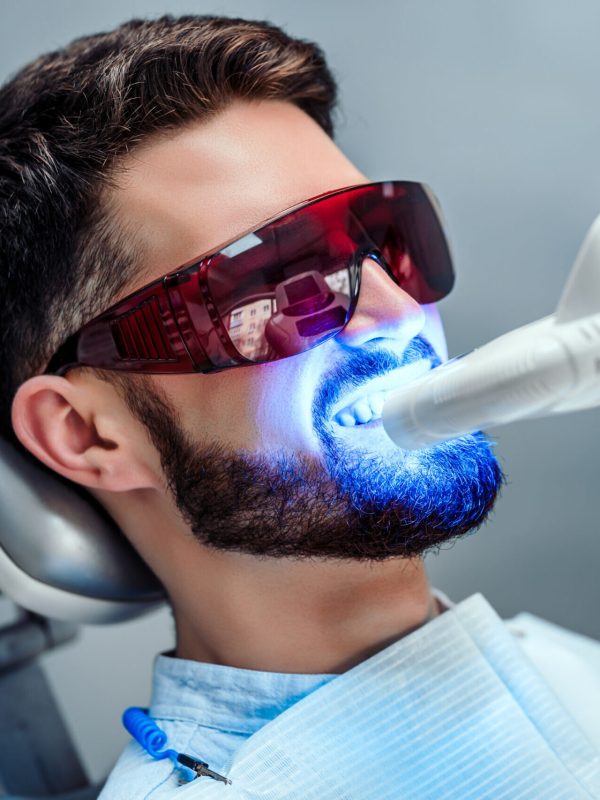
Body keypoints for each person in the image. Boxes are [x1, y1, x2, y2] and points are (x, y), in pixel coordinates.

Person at [1, 14, 599, 799]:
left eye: (384, 238)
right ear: (85, 434)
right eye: (276, 286)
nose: (394, 312)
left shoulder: (568, 670)